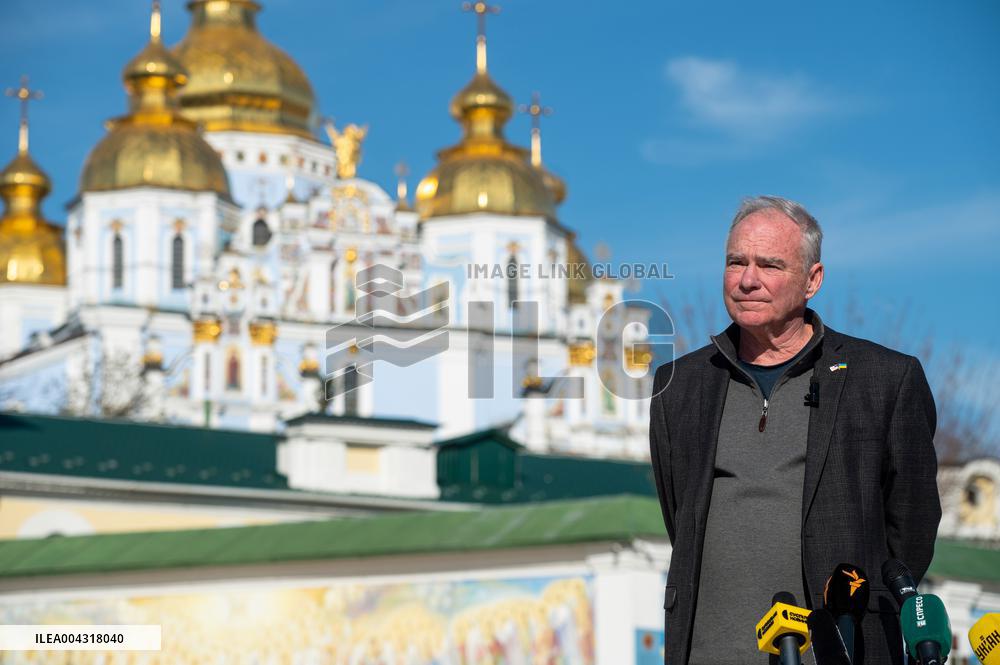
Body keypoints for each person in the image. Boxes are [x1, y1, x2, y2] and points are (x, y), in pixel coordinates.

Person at [648, 195, 941, 665]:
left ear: (812, 280)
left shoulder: (885, 378)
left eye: (769, 265)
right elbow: (681, 518)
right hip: (707, 651)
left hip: (843, 650)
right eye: (735, 262)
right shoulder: (678, 386)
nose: (747, 280)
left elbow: (910, 533)